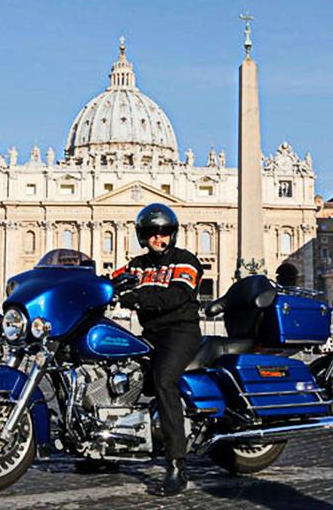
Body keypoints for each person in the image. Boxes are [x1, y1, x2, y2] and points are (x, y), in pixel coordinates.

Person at [113, 203, 203, 496]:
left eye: (163, 232)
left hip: (180, 332)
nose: (158, 238)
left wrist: (137, 298)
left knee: (164, 381)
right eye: (152, 233)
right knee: (118, 374)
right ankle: (106, 446)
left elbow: (177, 295)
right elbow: (110, 282)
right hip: (150, 334)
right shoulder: (136, 265)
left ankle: (177, 464)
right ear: (143, 236)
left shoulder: (185, 260)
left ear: (172, 234)